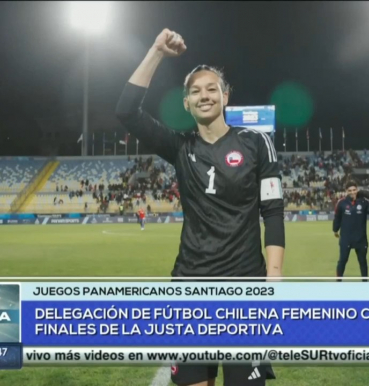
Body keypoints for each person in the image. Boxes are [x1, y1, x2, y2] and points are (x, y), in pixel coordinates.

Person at [116, 28, 284, 386]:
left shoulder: (256, 142)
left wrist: (274, 274)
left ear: (226, 95)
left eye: (211, 89)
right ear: (186, 103)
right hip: (190, 286)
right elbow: (126, 111)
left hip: (245, 288)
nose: (204, 95)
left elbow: (273, 211)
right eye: (195, 91)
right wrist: (156, 52)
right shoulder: (179, 147)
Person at [333, 181, 369, 282]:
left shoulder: (364, 202)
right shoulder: (341, 203)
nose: (352, 192)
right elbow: (337, 218)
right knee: (342, 261)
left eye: (354, 190)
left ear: (357, 190)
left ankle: (365, 283)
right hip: (346, 238)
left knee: (363, 262)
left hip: (361, 239)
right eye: (350, 190)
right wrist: (335, 230)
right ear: (346, 191)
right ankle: (338, 282)